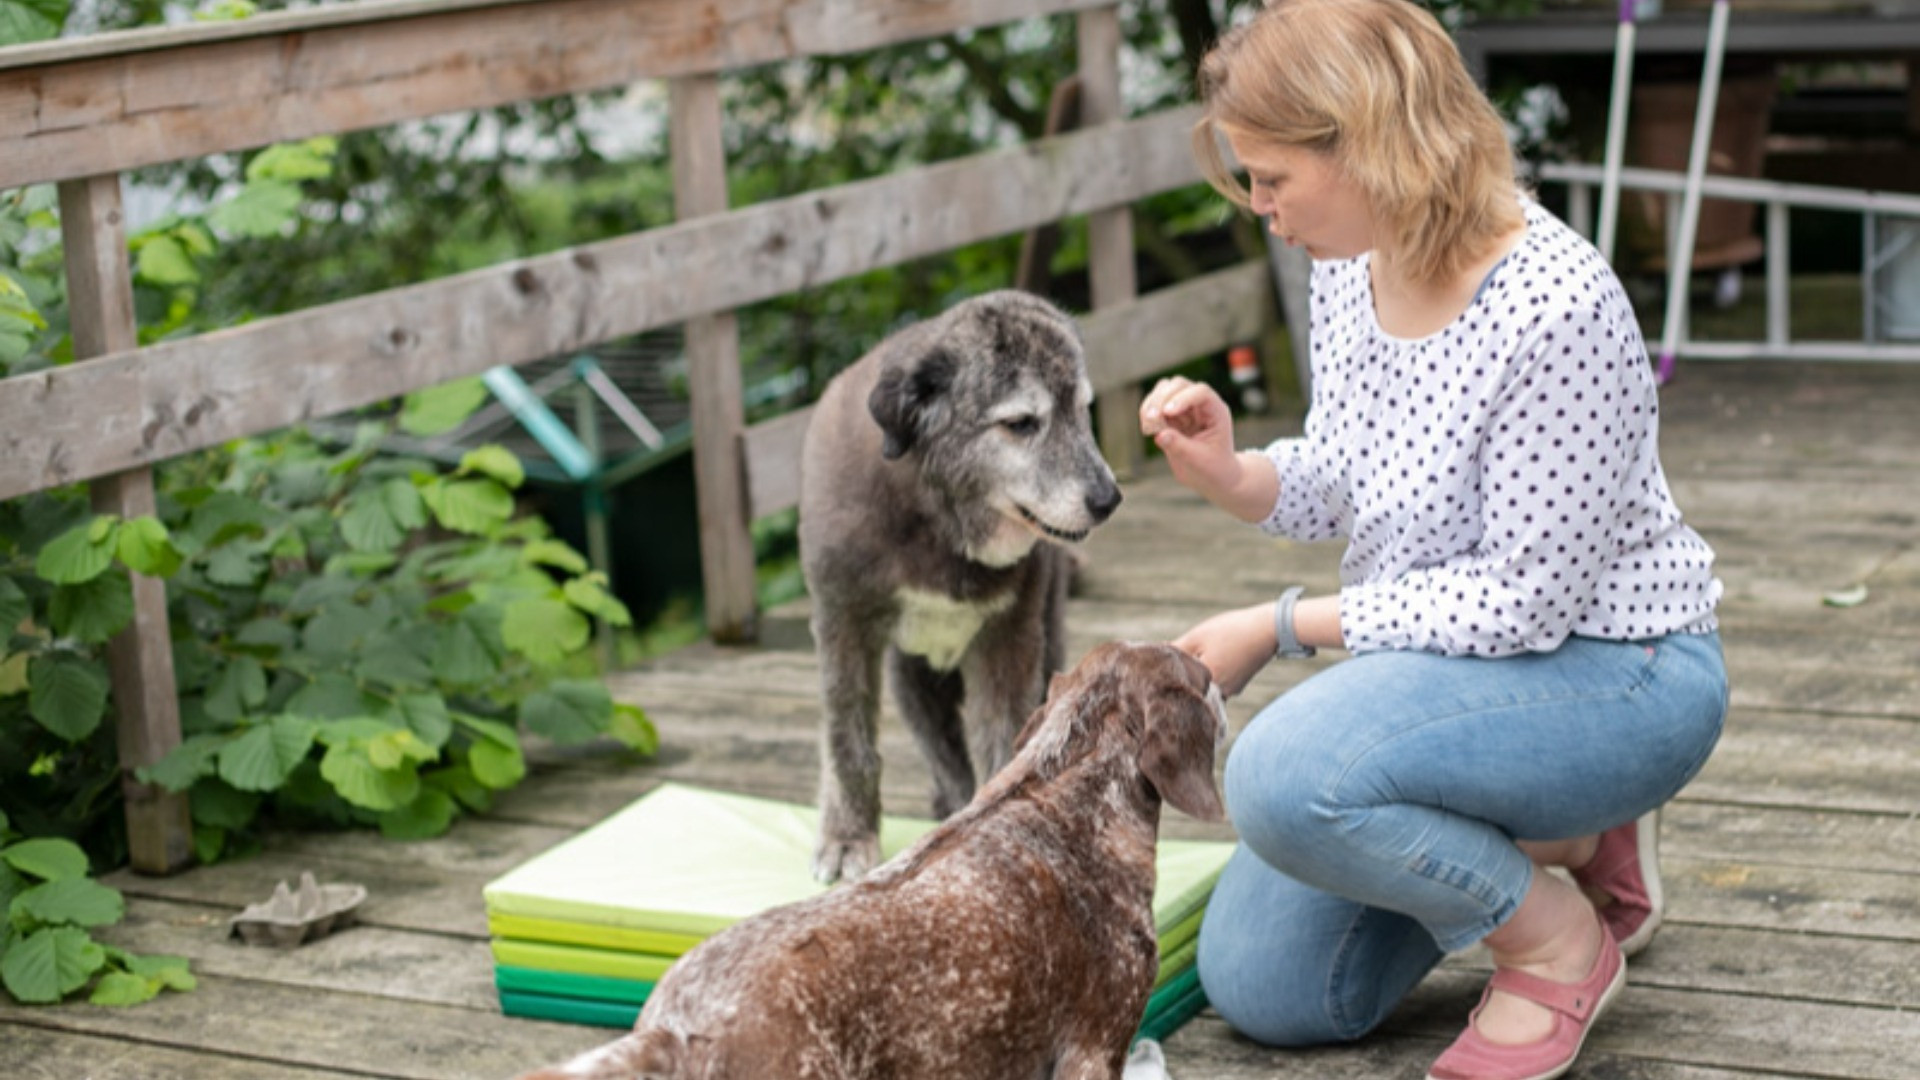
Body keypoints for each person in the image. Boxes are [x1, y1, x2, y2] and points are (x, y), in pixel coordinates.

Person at [1138, 2, 1729, 1079]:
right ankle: (1565, 837)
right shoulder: (1348, 262)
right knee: (1268, 986)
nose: (1260, 206)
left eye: (1272, 178)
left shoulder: (1555, 304)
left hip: (1621, 672)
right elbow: (1345, 475)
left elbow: (1524, 602)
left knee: (1280, 773)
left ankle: (1554, 941)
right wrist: (1232, 471)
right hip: (1454, 669)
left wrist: (1277, 624)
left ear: (1370, 142)